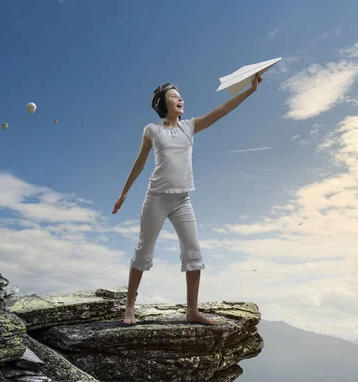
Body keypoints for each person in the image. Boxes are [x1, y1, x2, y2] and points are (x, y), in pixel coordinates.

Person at [112, 73, 263, 325]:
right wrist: (124, 192)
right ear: (163, 104)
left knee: (194, 253)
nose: (179, 98)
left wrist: (250, 90)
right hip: (157, 198)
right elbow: (140, 162)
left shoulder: (190, 127)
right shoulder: (152, 130)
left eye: (180, 95)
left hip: (182, 200)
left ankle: (192, 311)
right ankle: (129, 307)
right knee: (143, 252)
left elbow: (222, 111)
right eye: (173, 96)